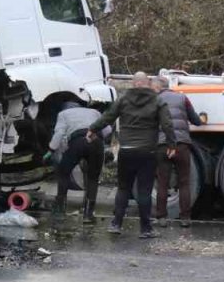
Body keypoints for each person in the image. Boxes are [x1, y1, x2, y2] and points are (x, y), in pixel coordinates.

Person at [87, 72, 176, 239]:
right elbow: (167, 123)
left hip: (126, 150)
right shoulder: (158, 100)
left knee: (123, 188)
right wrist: (172, 144)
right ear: (148, 83)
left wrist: (92, 129)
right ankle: (145, 229)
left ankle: (116, 224)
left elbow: (108, 117)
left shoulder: (123, 99)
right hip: (148, 151)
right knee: (144, 191)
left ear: (134, 83)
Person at [152, 75, 203, 228]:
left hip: (162, 145)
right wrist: (201, 120)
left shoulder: (155, 100)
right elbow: (195, 120)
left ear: (157, 87)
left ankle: (161, 217)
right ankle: (185, 218)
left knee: (162, 182)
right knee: (184, 182)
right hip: (181, 145)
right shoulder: (182, 98)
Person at [47, 101, 109, 223]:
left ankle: (60, 211)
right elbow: (107, 130)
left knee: (64, 173)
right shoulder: (94, 112)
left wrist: (51, 149)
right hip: (96, 141)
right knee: (92, 178)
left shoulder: (63, 114)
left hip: (77, 141)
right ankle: (88, 214)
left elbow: (59, 134)